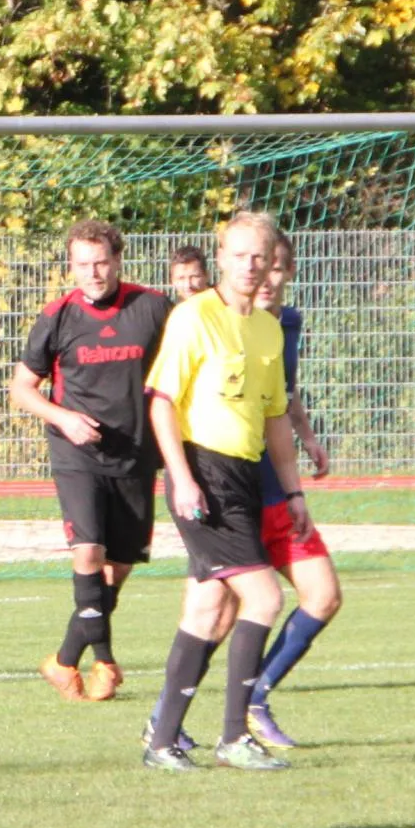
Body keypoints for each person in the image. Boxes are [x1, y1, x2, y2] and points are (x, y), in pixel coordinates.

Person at [139, 212, 312, 772]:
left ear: (271, 260)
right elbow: (162, 403)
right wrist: (182, 477)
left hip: (243, 476)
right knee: (264, 598)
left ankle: (162, 740)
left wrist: (294, 493)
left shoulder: (266, 328)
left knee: (209, 608)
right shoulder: (194, 317)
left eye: (259, 256)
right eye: (239, 255)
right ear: (221, 258)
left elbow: (276, 418)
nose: (250, 266)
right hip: (202, 472)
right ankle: (235, 735)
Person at [11, 219, 171, 702]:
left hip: (136, 456)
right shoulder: (58, 317)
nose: (93, 273)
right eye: (83, 264)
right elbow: (22, 388)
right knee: (88, 553)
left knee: (117, 569)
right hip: (77, 454)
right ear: (71, 265)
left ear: (117, 260)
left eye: (101, 263)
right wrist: (63, 418)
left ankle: (64, 662)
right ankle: (104, 661)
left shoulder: (153, 307)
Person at [242, 231, 342, 748]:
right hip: (232, 490)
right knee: (215, 615)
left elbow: (286, 393)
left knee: (323, 595)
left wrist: (307, 437)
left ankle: (254, 698)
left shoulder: (288, 324)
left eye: (276, 267)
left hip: (278, 490)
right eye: (258, 264)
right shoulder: (224, 324)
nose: (265, 277)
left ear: (288, 272)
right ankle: (167, 722)